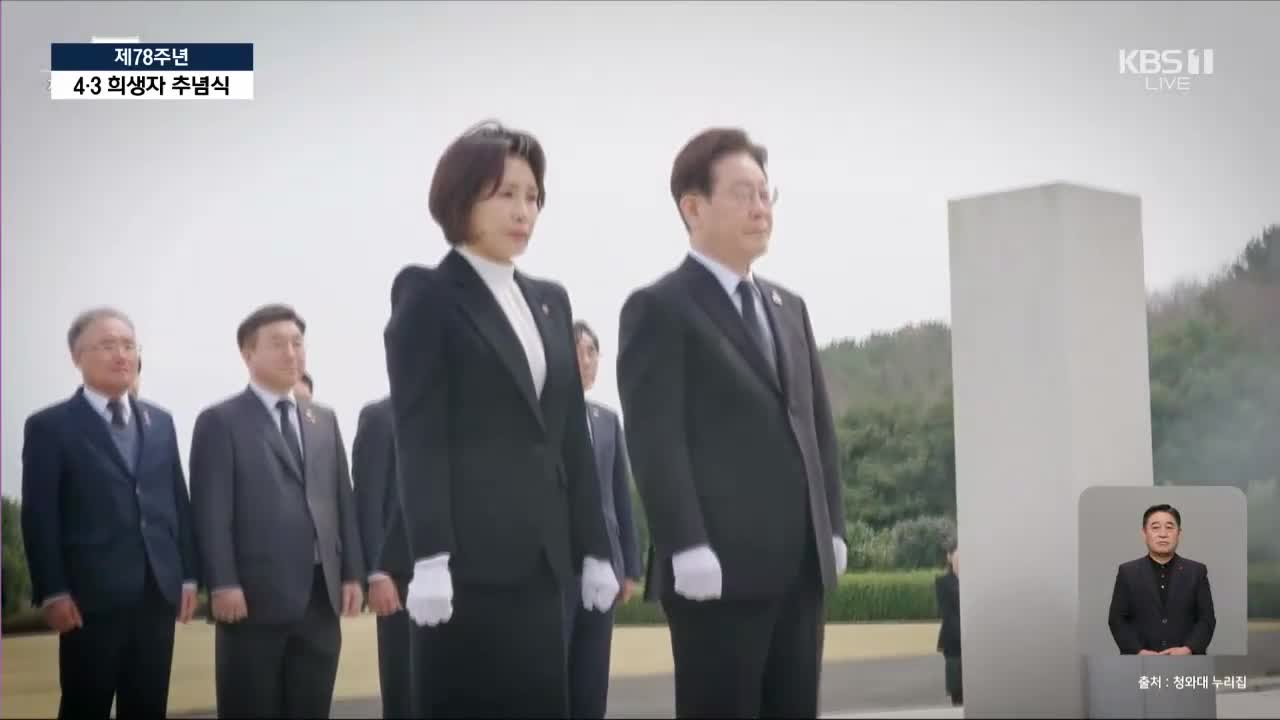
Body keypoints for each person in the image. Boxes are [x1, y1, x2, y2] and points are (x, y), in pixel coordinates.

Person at [384, 120, 617, 717]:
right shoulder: (428, 295)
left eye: (533, 197)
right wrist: (430, 556)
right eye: (506, 193)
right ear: (462, 197)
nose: (524, 211)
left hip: (543, 559)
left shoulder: (550, 300)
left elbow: (569, 435)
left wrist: (595, 548)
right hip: (463, 566)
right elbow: (420, 438)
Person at [616, 127, 846, 717]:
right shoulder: (660, 308)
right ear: (693, 208)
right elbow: (656, 441)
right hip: (716, 572)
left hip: (800, 568)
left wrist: (832, 527)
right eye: (744, 194)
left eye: (767, 194)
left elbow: (816, 430)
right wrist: (686, 543)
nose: (761, 208)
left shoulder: (788, 307)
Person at [21, 307, 198, 719]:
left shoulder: (160, 421)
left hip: (157, 591)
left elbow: (178, 501)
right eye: (107, 345)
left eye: (128, 345)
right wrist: (53, 590)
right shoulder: (50, 426)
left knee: (148, 705)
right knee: (86, 705)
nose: (121, 354)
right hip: (89, 600)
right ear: (76, 356)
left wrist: (188, 575)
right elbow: (40, 516)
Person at [189, 303, 365, 718]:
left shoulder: (323, 419)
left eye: (298, 343)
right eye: (277, 344)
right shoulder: (220, 421)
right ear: (247, 354)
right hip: (253, 601)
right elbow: (211, 513)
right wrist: (222, 583)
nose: (291, 353)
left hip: (320, 598)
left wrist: (352, 573)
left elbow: (342, 500)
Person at [564, 320, 643, 719]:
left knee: (592, 676)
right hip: (559, 566)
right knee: (555, 676)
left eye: (592, 352)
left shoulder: (608, 420)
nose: (585, 360)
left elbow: (620, 498)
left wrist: (628, 567)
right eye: (577, 352)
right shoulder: (542, 418)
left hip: (605, 569)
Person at [352, 395, 415, 718]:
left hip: (459, 576)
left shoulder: (456, 414)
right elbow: (368, 499)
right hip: (399, 580)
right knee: (404, 688)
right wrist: (377, 573)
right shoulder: (380, 417)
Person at [1108, 503, 1216, 655]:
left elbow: (1206, 619)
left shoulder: (1197, 571)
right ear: (1144, 533)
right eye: (1155, 527)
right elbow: (1117, 620)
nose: (1163, 534)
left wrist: (1188, 649)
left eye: (1169, 527)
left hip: (1186, 661)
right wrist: (1138, 652)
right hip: (1140, 662)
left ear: (1179, 533)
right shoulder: (1128, 572)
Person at [935, 543, 962, 706]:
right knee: (958, 693)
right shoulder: (943, 583)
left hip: (974, 643)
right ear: (949, 557)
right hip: (954, 644)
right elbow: (947, 614)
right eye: (957, 555)